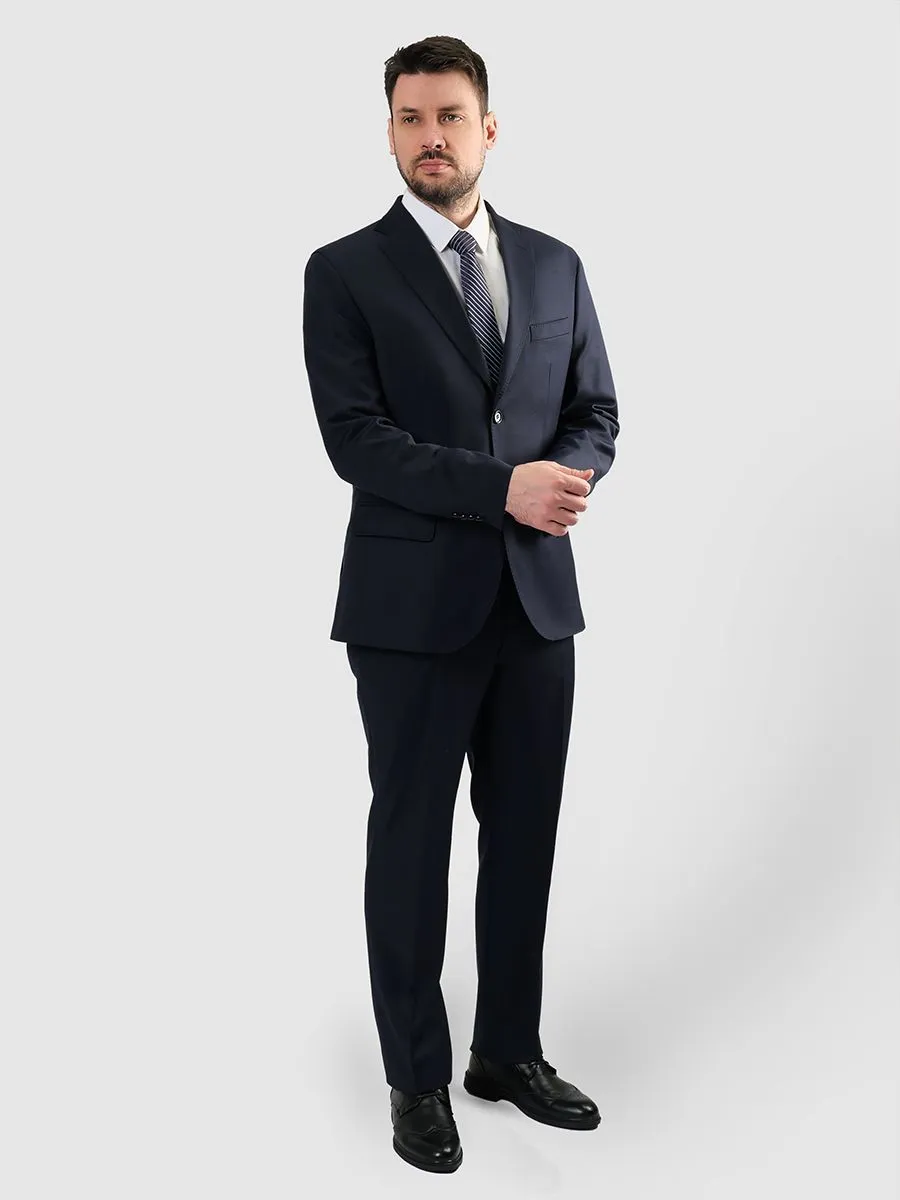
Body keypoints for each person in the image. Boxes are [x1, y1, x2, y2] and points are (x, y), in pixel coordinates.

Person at [302, 34, 620, 1173]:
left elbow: (595, 409)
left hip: (535, 607)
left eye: (448, 116)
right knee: (412, 841)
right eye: (409, 118)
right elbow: (359, 443)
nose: (429, 138)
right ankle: (417, 1078)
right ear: (390, 132)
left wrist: (566, 477)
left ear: (489, 128)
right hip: (410, 614)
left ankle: (507, 1053)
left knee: (525, 838)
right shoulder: (344, 272)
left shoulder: (555, 266)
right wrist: (504, 489)